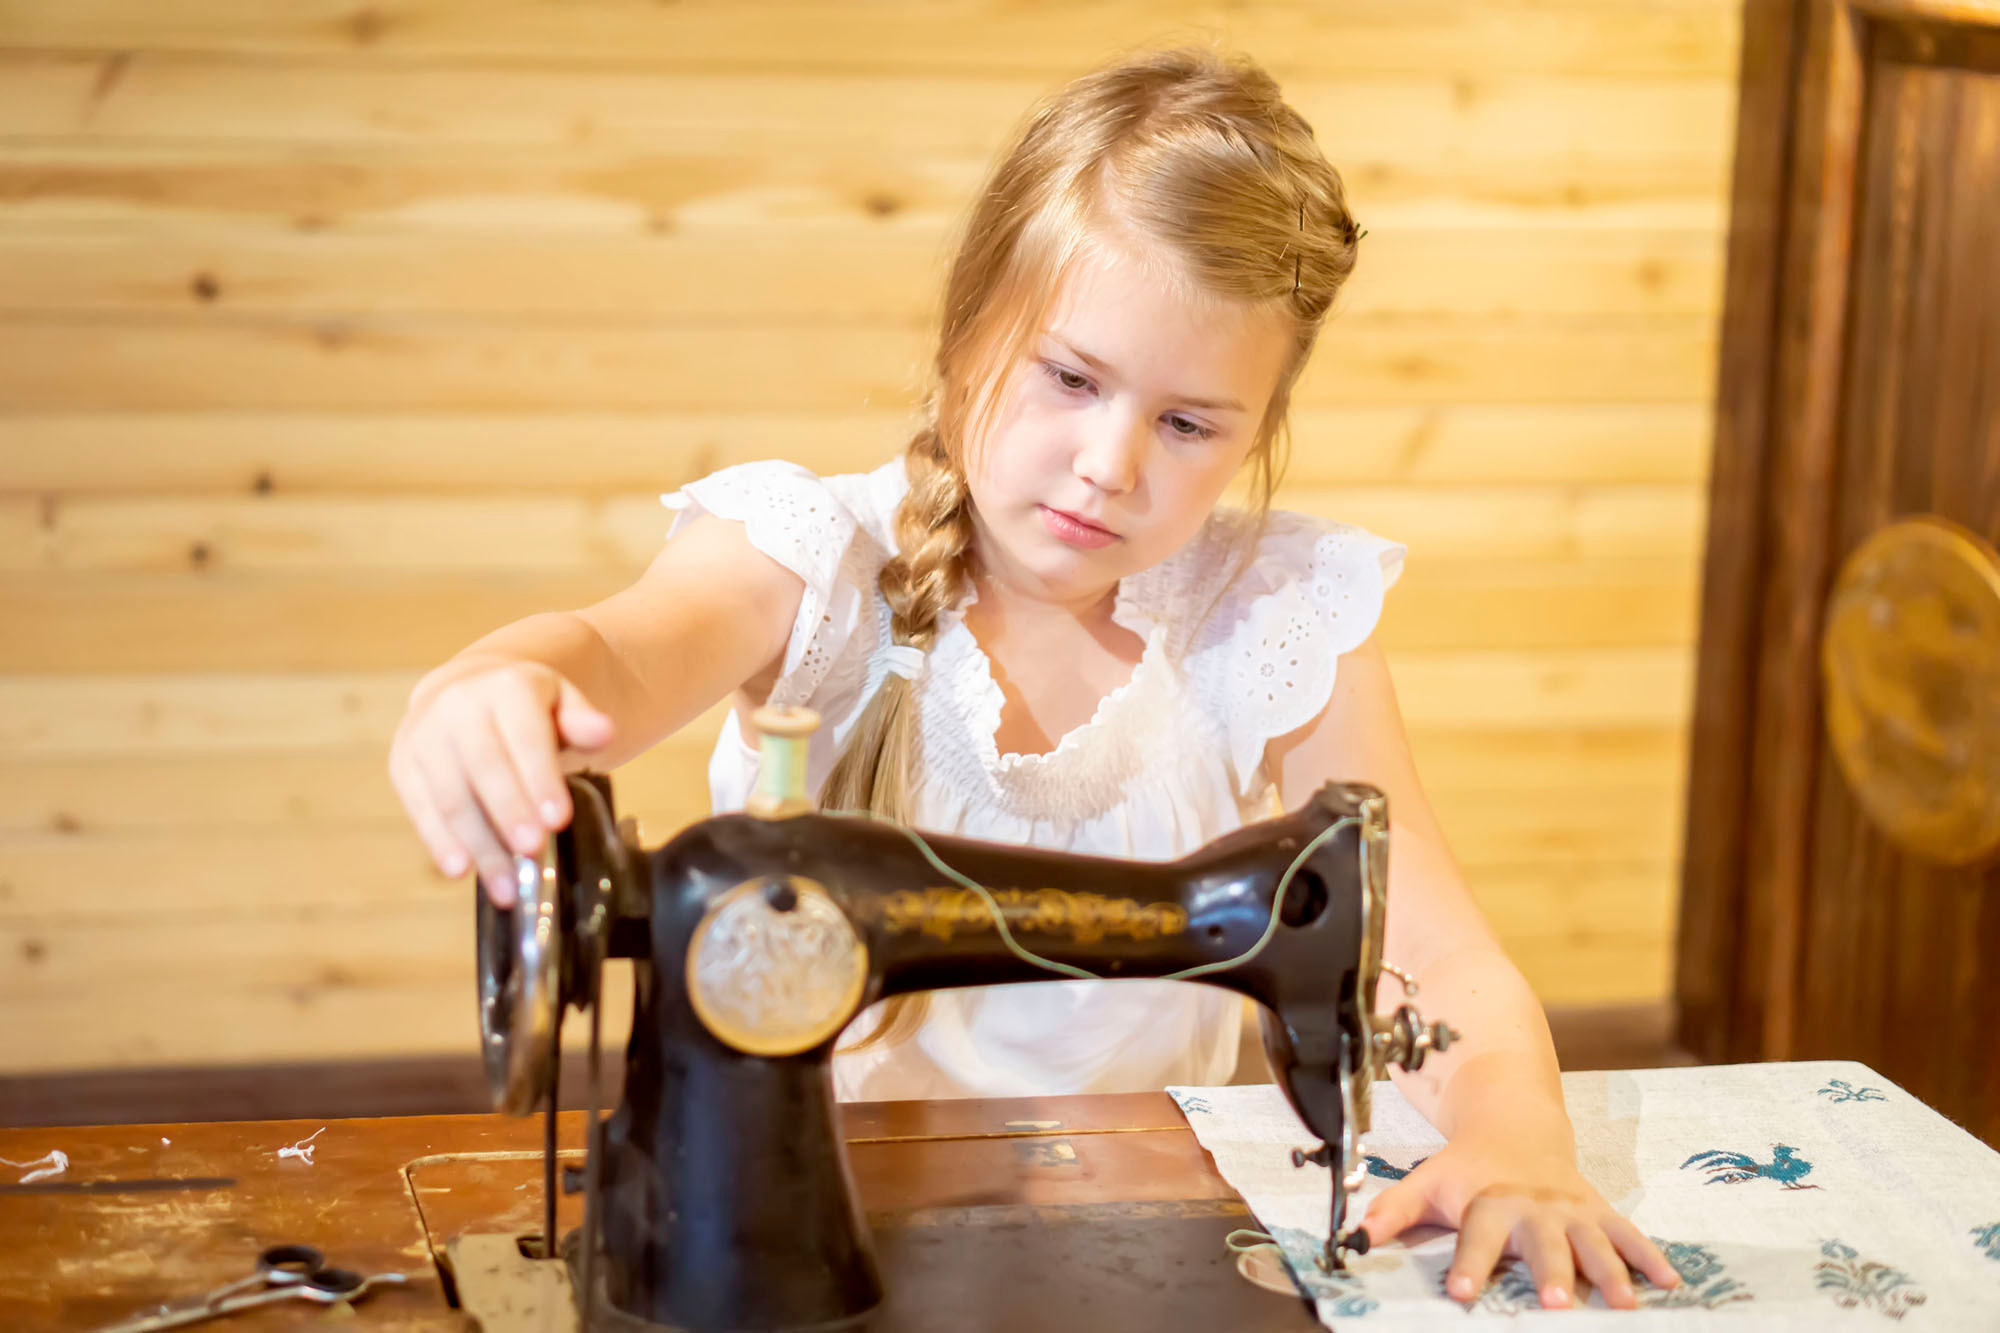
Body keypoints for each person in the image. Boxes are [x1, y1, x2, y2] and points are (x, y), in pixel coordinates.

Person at [388, 47, 1680, 1311]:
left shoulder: (1271, 614)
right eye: (1070, 378)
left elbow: (1436, 966)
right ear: (967, 334)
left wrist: (1517, 1142)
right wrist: (493, 681)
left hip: (1133, 1226)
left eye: (1188, 423)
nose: (1109, 462)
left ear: (1259, 428)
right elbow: (612, 650)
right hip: (811, 1221)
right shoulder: (815, 560)